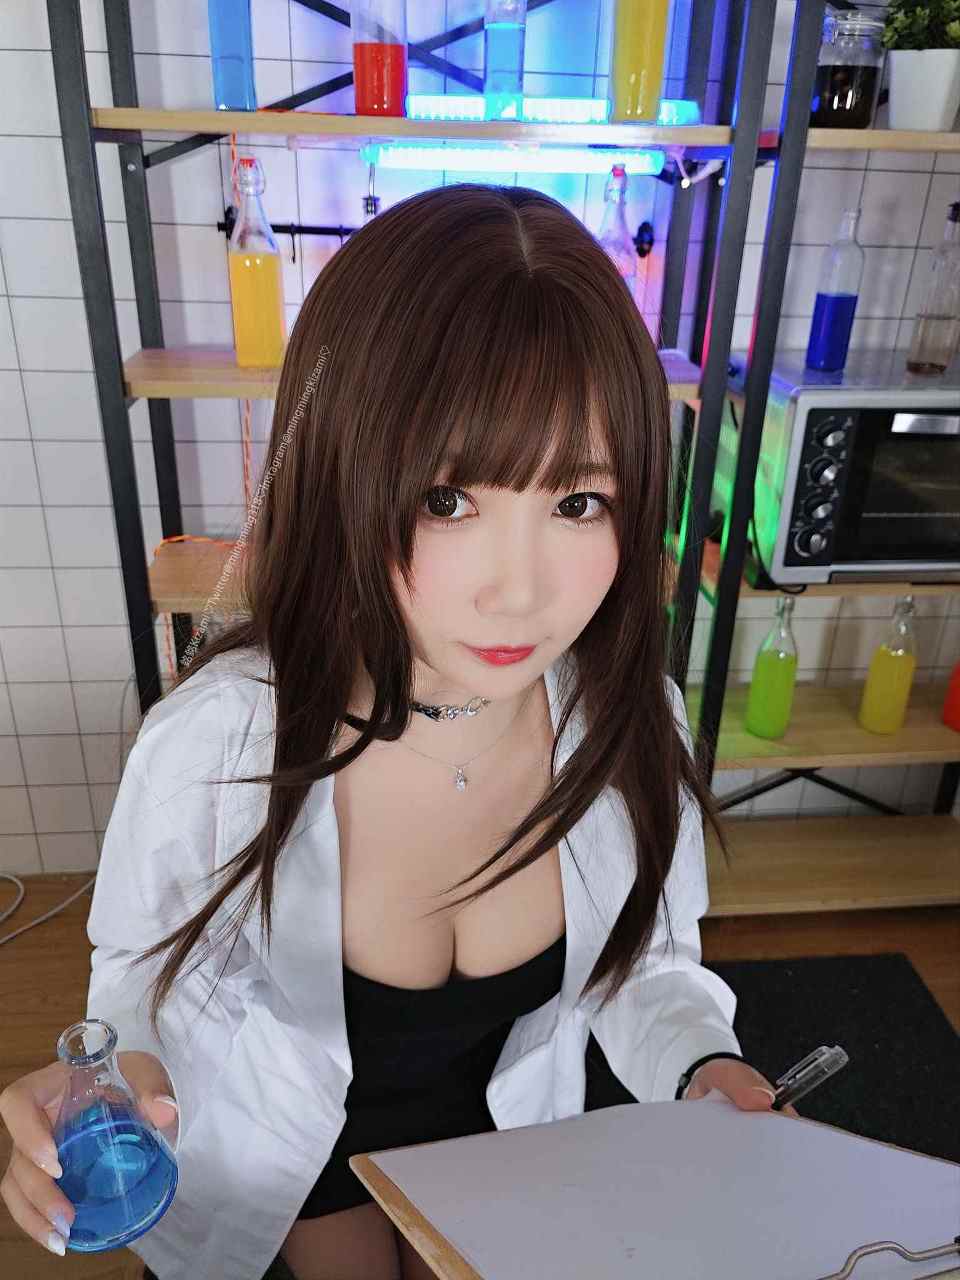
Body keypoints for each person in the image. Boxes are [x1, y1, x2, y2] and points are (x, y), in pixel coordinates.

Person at [0, 183, 799, 1280]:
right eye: (447, 500)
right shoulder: (219, 742)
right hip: (281, 1162)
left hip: (502, 1154)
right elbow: (141, 967)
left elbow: (648, 963)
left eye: (578, 503)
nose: (521, 591)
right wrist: (116, 1081)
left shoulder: (628, 725)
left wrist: (706, 1066)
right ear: (343, 474)